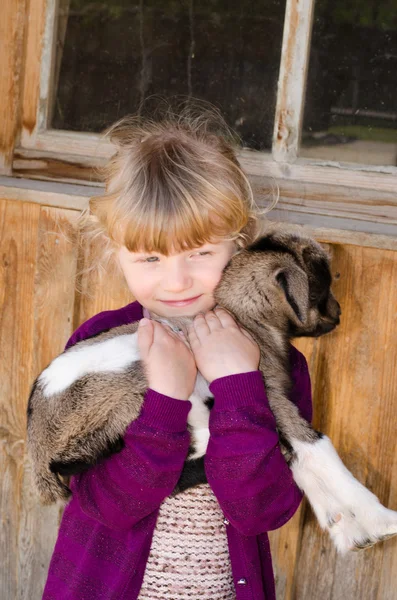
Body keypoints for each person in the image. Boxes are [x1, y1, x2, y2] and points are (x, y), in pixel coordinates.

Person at [41, 101, 313, 600]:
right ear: (113, 248)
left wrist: (239, 386)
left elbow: (263, 511)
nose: (177, 280)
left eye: (201, 252)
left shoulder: (274, 360)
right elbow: (109, 505)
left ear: (239, 241)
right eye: (150, 257)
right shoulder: (100, 350)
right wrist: (164, 400)